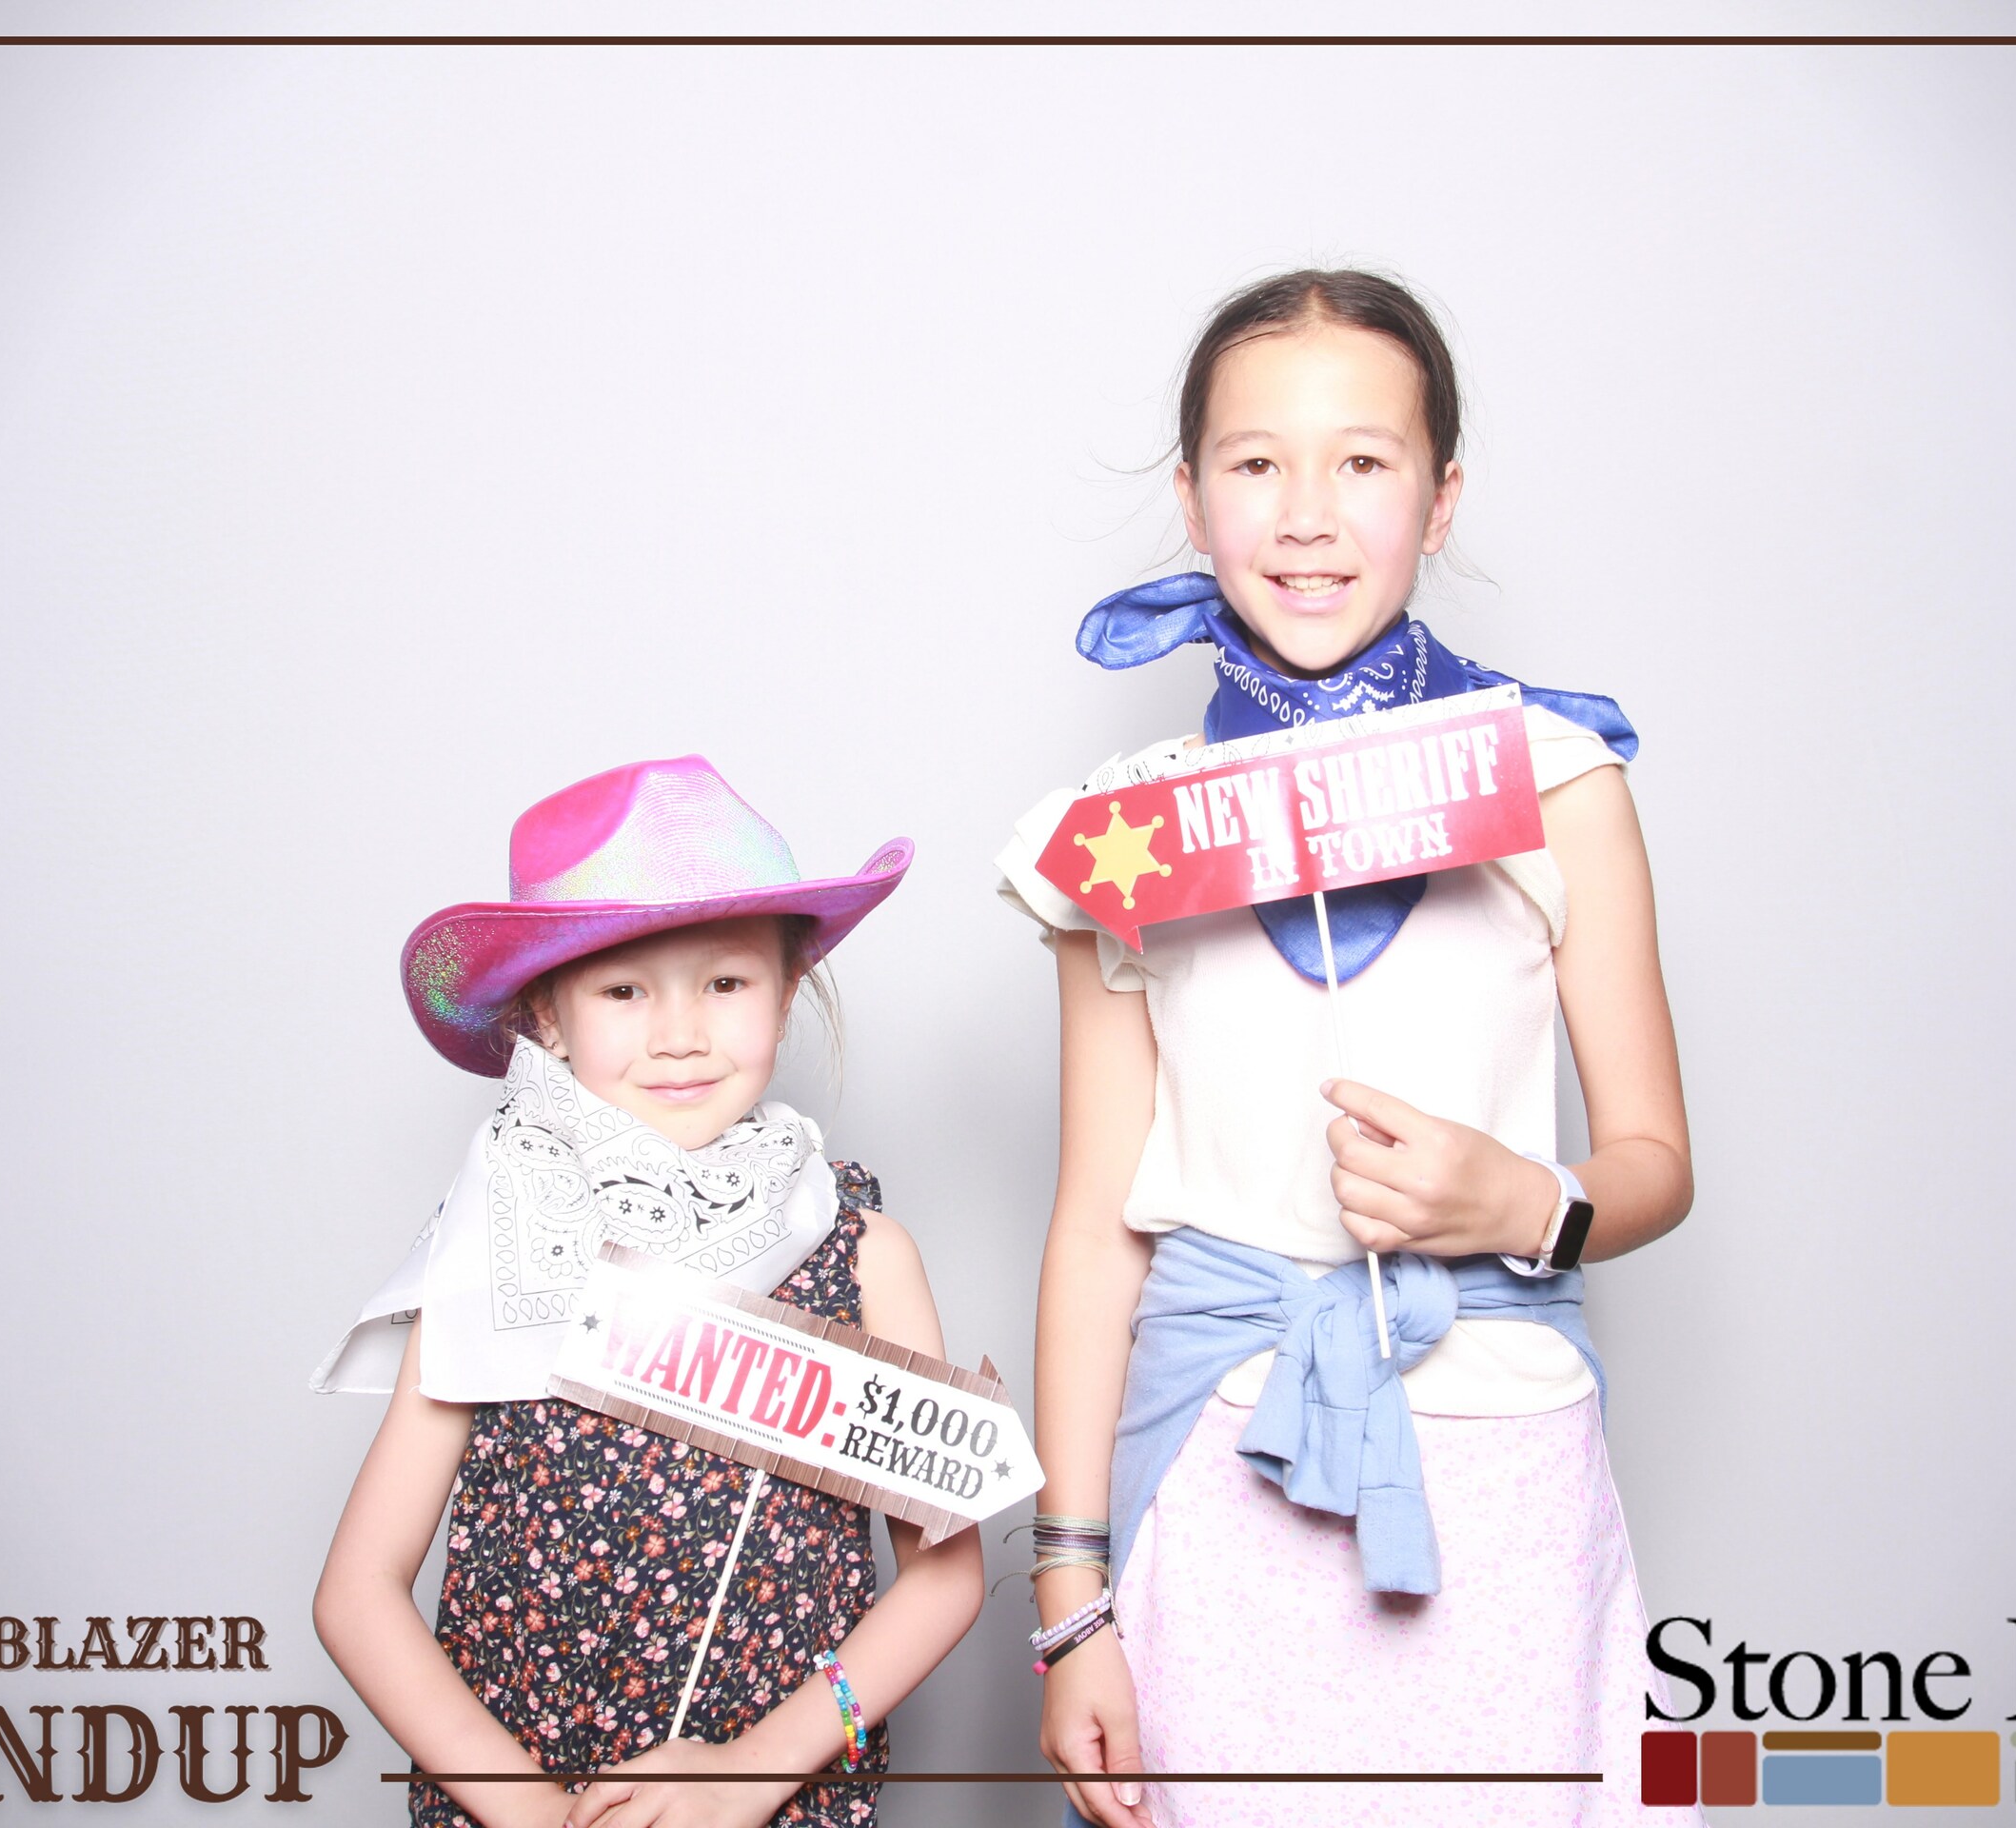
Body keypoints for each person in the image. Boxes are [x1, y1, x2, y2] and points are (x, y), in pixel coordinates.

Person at [999, 270, 1701, 1826]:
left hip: (1500, 1462)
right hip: (1218, 1466)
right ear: (1191, 498)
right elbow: (1095, 1231)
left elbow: (1658, 1161)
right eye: (1256, 462)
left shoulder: (1558, 781)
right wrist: (1070, 1601)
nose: (1306, 515)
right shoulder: (1120, 835)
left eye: (1363, 461)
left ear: (1440, 498)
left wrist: (1524, 1202)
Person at [315, 756, 983, 1828]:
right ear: (545, 1015)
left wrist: (754, 1771)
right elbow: (357, 1594)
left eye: (726, 984)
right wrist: (537, 1819)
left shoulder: (862, 1257)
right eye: (624, 992)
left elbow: (945, 1579)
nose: (680, 1035)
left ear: (788, 991)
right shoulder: (498, 1246)